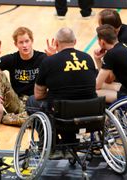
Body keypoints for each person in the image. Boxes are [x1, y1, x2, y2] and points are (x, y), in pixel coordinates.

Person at [27, 27, 98, 159]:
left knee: (32, 101)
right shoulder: (87, 58)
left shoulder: (49, 62)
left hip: (63, 116)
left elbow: (38, 95)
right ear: (75, 41)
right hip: (90, 114)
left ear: (56, 43)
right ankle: (73, 142)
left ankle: (50, 146)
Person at [0, 27, 47, 126]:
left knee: (39, 119)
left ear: (32, 41)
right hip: (16, 102)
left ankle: (4, 118)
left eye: (27, 41)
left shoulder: (42, 58)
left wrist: (53, 56)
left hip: (34, 104)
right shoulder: (12, 59)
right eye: (21, 42)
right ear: (16, 44)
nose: (24, 45)